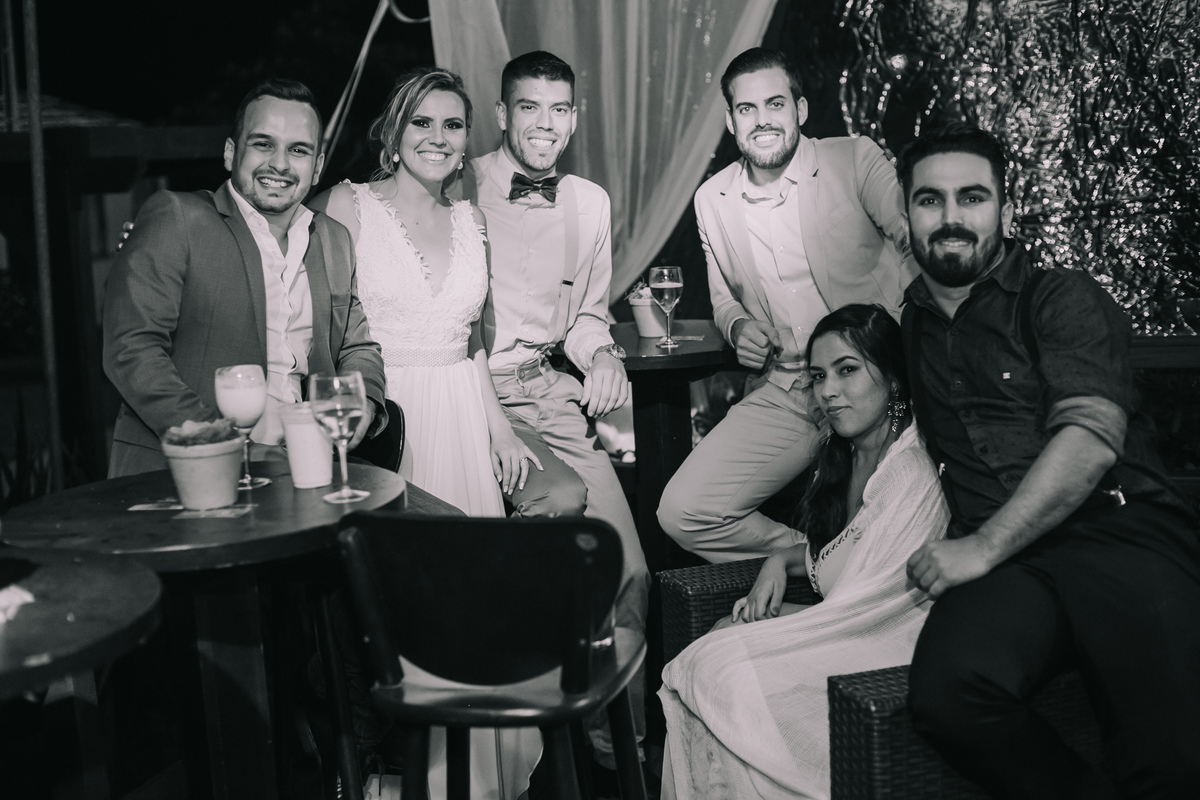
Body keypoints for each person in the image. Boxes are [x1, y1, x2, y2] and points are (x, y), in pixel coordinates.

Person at [898, 123, 1200, 799]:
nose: (950, 217)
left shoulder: (1061, 296)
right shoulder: (912, 324)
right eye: (930, 199)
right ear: (906, 215)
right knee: (948, 696)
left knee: (1178, 757)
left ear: (1005, 211)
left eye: (973, 197)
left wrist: (980, 548)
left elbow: (1090, 439)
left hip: (1115, 528)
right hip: (1016, 565)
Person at [659, 303, 948, 799]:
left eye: (847, 370)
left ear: (893, 378)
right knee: (712, 661)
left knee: (717, 664)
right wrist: (780, 559)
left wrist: (769, 623)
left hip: (889, 655)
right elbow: (844, 551)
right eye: (817, 376)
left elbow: (874, 611)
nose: (828, 390)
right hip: (850, 632)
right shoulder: (846, 455)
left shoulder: (909, 473)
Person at [463, 50, 650, 788]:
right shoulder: (455, 184)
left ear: (574, 119)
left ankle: (618, 757)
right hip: (473, 394)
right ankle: (528, 743)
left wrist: (601, 352)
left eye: (559, 109)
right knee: (537, 562)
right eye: (529, 108)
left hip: (549, 388)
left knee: (627, 569)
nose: (545, 124)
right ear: (502, 114)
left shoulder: (590, 203)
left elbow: (586, 316)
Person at [657, 47, 916, 563]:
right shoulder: (712, 198)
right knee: (683, 511)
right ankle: (821, 560)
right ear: (731, 121)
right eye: (747, 109)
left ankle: (860, 566)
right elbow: (724, 300)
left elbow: (913, 237)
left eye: (774, 104)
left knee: (902, 506)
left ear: (799, 109)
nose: (762, 120)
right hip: (789, 389)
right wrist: (738, 328)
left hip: (879, 378)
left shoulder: (854, 159)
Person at [103, 78, 386, 477]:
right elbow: (132, 349)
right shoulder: (179, 218)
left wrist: (365, 401)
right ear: (230, 152)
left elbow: (357, 346)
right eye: (263, 144)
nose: (280, 164)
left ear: (318, 166)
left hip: (304, 471)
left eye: (298, 150)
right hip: (183, 473)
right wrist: (226, 445)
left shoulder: (333, 239)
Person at [311, 68, 540, 517]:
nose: (438, 137)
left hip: (461, 415)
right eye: (421, 122)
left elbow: (471, 339)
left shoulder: (473, 221)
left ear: (464, 141)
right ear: (394, 134)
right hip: (383, 414)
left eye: (452, 125)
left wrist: (500, 430)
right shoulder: (344, 206)